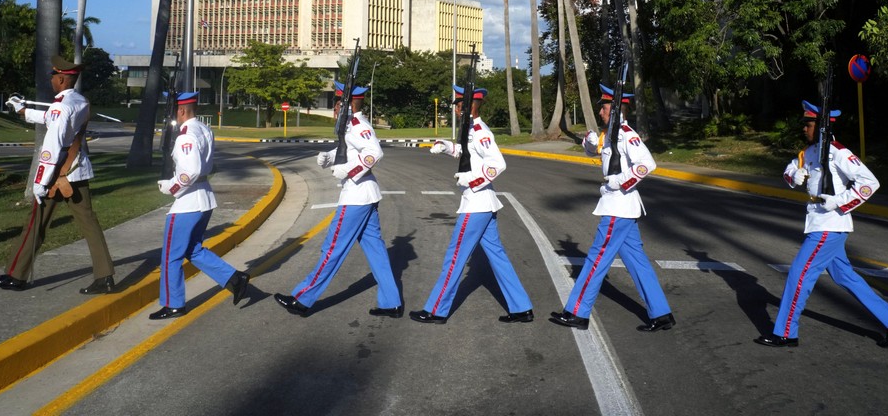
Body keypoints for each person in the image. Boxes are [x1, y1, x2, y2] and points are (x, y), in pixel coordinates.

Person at [755, 99, 888, 348]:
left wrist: (840, 201)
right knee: (845, 276)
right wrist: (794, 176)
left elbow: (870, 183)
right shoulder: (810, 152)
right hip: (820, 222)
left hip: (829, 224)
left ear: (822, 126)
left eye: (808, 124)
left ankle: (786, 332)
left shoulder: (838, 152)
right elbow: (789, 170)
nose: (804, 128)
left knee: (799, 274)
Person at [549, 85, 673, 332]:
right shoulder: (611, 134)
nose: (601, 113)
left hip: (619, 206)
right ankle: (661, 314)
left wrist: (619, 181)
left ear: (615, 110)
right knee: (638, 263)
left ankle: (577, 312)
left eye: (604, 108)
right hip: (622, 209)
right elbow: (598, 153)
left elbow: (647, 164)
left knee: (596, 259)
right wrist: (589, 143)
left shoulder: (626, 134)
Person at [0, 56, 115, 294]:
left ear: (61, 78)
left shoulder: (60, 106)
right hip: (77, 169)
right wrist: (23, 110)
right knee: (90, 224)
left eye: (53, 77)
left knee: (35, 224)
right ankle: (105, 276)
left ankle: (16, 275)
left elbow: (52, 147)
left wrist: (40, 182)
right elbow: (52, 118)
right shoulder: (79, 101)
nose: (51, 81)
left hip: (56, 173)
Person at [274, 82, 402, 318]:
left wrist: (350, 172)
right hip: (365, 196)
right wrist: (330, 157)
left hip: (356, 197)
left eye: (338, 102)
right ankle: (391, 302)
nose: (335, 106)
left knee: (332, 248)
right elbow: (350, 151)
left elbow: (374, 152)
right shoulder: (349, 127)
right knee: (376, 251)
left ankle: (303, 298)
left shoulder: (357, 125)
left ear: (348, 104)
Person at [410, 85, 534, 324]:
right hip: (482, 204)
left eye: (459, 104)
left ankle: (436, 310)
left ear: (470, 106)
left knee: (455, 256)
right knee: (497, 256)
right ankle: (521, 307)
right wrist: (447, 147)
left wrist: (472, 180)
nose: (456, 108)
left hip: (476, 203)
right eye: (457, 104)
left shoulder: (481, 132)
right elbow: (466, 153)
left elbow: (498, 164)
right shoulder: (470, 131)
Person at [151, 91, 250, 319]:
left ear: (182, 110)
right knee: (192, 250)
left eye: (174, 109)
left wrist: (171, 186)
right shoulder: (204, 129)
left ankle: (173, 304)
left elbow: (192, 170)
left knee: (170, 256)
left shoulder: (186, 135)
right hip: (204, 199)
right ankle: (234, 279)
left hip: (187, 203)